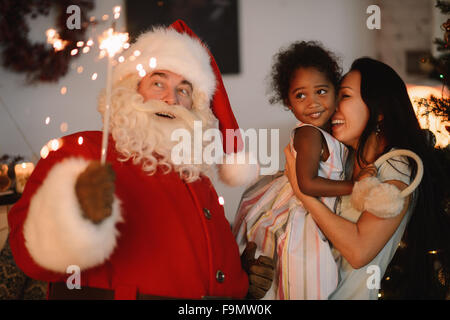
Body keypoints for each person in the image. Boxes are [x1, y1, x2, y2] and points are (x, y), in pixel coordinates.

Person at [7, 20, 274, 300]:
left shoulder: (197, 175)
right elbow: (29, 257)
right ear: (131, 89)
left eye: (183, 90)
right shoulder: (82, 151)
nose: (170, 99)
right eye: (158, 82)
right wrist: (73, 211)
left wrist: (240, 281)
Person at [284, 57, 450, 299]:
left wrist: (304, 193)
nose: (332, 106)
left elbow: (360, 251)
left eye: (345, 96)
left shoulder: (397, 165)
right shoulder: (343, 162)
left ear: (379, 110)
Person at [233, 42, 365, 299]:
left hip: (314, 213)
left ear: (336, 91)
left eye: (321, 91)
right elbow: (307, 183)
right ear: (288, 102)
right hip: (302, 217)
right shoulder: (308, 133)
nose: (313, 103)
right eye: (300, 95)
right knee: (307, 278)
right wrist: (357, 186)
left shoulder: (328, 134)